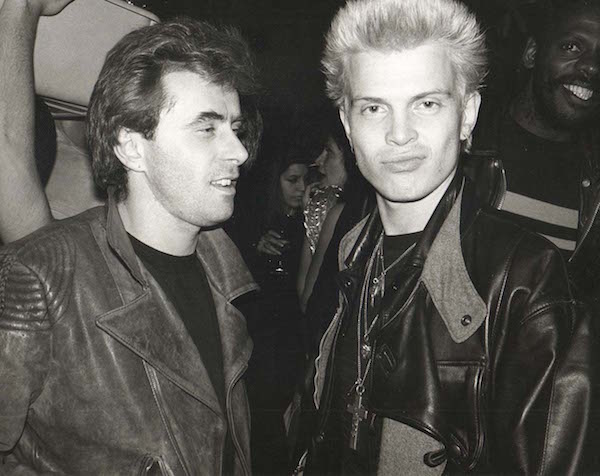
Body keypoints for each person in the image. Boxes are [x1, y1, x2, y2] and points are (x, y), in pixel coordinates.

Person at [301, 0, 595, 474]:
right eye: (374, 107)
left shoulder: (527, 281)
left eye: (427, 103)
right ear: (347, 124)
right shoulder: (351, 251)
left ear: (468, 114)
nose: (399, 134)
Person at [0, 0, 262, 473]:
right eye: (207, 128)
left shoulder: (228, 274)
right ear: (130, 145)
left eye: (236, 128)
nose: (239, 151)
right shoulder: (40, 277)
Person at [468, 0, 600, 308]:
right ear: (531, 54)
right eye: (571, 46)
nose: (592, 67)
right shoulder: (464, 149)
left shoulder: (594, 184)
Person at [228, 149, 309, 475]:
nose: (301, 187)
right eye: (292, 180)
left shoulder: (313, 221)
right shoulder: (251, 221)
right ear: (273, 183)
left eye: (306, 179)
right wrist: (254, 248)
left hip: (293, 338)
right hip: (259, 342)